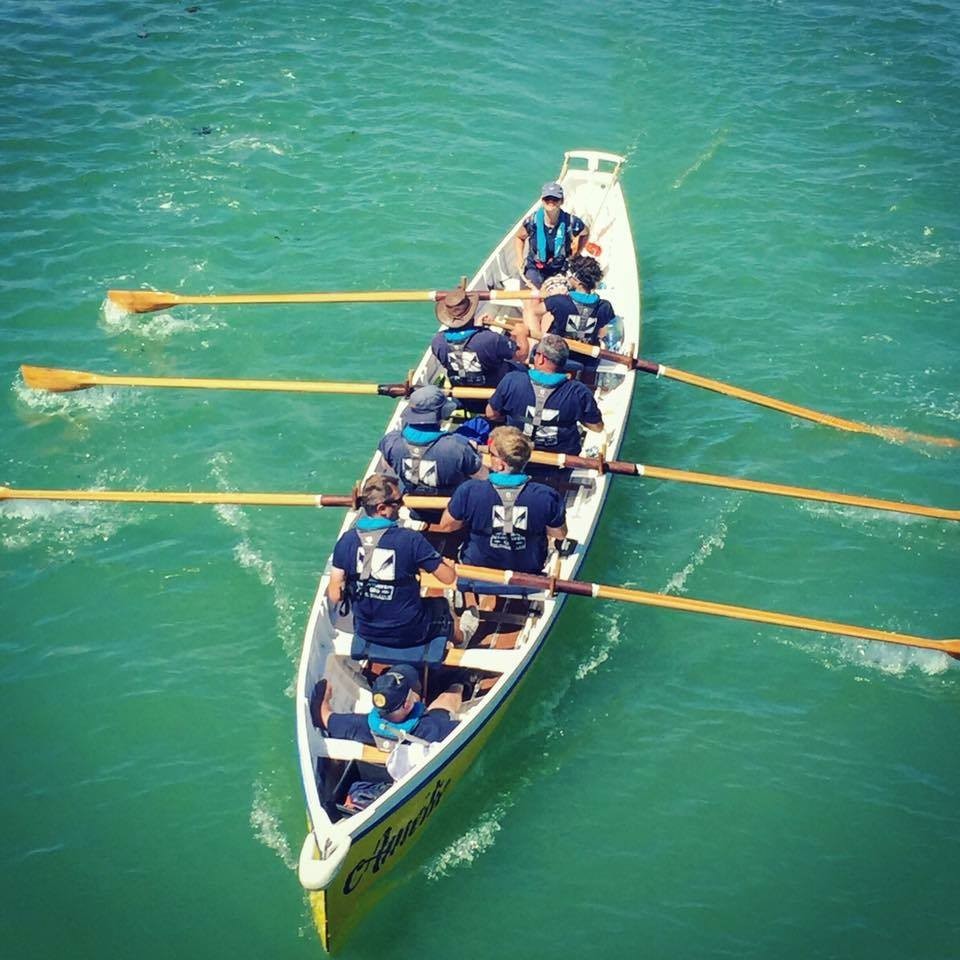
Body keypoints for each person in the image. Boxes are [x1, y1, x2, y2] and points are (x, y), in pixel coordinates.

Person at [327, 475, 456, 649]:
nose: (402, 505)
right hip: (411, 631)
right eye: (398, 502)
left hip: (366, 630)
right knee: (441, 605)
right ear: (381, 508)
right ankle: (463, 636)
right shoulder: (411, 540)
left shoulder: (346, 540)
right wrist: (449, 566)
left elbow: (334, 596)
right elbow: (448, 578)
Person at [433, 426, 567, 576]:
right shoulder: (547, 496)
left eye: (490, 453)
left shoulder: (469, 491)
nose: (487, 456)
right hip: (528, 568)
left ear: (500, 464)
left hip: (476, 566)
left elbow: (446, 526)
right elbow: (559, 534)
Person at [485, 334, 604, 455]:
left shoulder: (512, 380)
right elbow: (597, 427)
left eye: (535, 353)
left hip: (517, 457)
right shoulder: (579, 392)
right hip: (561, 462)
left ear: (541, 358)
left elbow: (491, 414)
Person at [313, 664, 462, 746]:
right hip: (425, 734)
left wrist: (324, 699)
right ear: (407, 705)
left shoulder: (359, 725)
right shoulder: (433, 728)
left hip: (386, 744)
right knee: (445, 700)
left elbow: (323, 717)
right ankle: (460, 682)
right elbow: (462, 729)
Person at [378, 385, 486, 498]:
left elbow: (386, 465)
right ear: (442, 413)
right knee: (479, 424)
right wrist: (475, 453)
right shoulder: (457, 447)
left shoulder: (391, 442)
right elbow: (483, 476)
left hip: (416, 507)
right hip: (454, 508)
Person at [515, 182, 588, 335]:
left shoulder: (571, 222)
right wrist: (519, 258)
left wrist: (577, 251)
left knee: (553, 303)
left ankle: (544, 338)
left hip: (558, 270)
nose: (551, 202)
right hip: (535, 268)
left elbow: (585, 232)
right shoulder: (532, 221)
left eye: (555, 199)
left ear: (561, 201)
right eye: (547, 199)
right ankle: (536, 342)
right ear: (542, 200)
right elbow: (519, 237)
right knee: (532, 305)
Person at [430, 280, 529, 390]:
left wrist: (478, 327)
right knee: (523, 368)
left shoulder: (437, 341)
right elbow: (521, 355)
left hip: (463, 394)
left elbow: (467, 347)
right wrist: (521, 334)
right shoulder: (490, 339)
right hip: (496, 390)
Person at [543, 255, 616, 368]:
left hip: (556, 355)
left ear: (577, 280)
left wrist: (551, 296)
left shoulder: (558, 301)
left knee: (545, 316)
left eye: (568, 273)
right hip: (587, 358)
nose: (567, 276)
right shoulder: (605, 307)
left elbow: (532, 312)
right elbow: (603, 332)